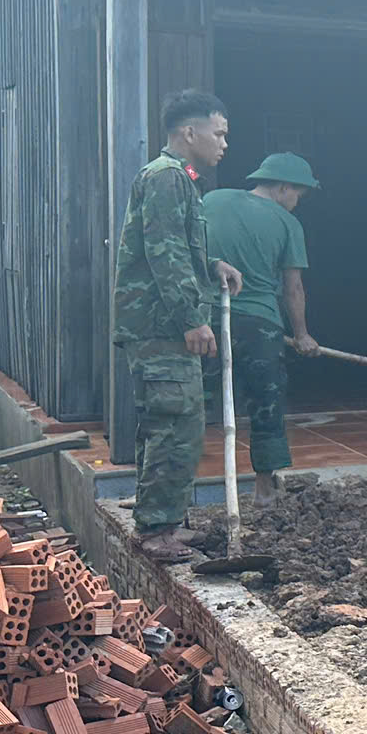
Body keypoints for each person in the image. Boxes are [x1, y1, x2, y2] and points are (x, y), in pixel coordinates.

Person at [112, 89, 242, 561]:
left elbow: (179, 248)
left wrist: (212, 265)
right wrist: (192, 318)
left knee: (169, 421)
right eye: (219, 133)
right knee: (175, 423)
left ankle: (161, 520)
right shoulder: (167, 177)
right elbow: (163, 252)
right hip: (161, 326)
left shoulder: (180, 179)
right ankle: (155, 533)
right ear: (191, 132)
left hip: (158, 323)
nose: (224, 144)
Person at [200, 153, 322, 504]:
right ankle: (265, 488)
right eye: (298, 193)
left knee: (197, 400)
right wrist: (301, 335)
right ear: (283, 187)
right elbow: (292, 288)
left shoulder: (213, 199)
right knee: (266, 403)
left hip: (207, 319)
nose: (297, 203)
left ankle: (180, 483)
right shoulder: (287, 224)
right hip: (260, 324)